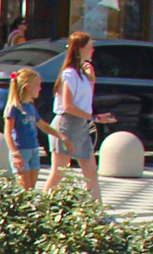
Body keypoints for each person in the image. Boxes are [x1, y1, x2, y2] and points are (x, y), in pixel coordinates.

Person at [45, 31, 115, 200]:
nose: (93, 50)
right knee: (59, 172)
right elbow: (68, 106)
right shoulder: (69, 74)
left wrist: (92, 80)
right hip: (66, 125)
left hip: (81, 125)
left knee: (91, 171)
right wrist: (95, 118)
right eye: (90, 47)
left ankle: (96, 211)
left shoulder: (83, 74)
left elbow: (86, 102)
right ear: (80, 48)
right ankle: (41, 206)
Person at [2, 66, 55, 192]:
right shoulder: (14, 107)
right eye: (37, 85)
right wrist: (15, 154)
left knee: (31, 189)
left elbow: (43, 126)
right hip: (21, 151)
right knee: (24, 189)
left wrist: (62, 137)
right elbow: (7, 133)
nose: (40, 88)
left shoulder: (30, 107)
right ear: (27, 86)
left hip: (34, 150)